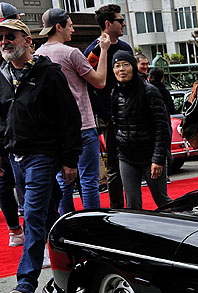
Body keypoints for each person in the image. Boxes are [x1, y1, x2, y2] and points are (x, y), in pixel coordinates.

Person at [0, 18, 82, 293]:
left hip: (42, 156)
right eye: (1, 38)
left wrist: (70, 159)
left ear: (28, 41)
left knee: (32, 215)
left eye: (10, 36)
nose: (4, 42)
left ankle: (26, 281)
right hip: (15, 158)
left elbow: (70, 119)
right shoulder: (2, 75)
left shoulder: (48, 74)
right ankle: (78, 264)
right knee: (50, 217)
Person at [35, 8, 111, 214]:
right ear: (58, 27)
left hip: (55, 129)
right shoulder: (71, 53)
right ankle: (92, 227)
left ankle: (65, 224)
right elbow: (100, 81)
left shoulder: (37, 55)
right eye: (70, 25)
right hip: (83, 124)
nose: (73, 30)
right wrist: (103, 50)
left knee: (63, 181)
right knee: (88, 181)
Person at [83, 4, 133, 208]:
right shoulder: (93, 51)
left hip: (130, 113)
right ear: (107, 24)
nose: (123, 24)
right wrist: (105, 114)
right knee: (114, 166)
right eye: (119, 20)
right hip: (109, 116)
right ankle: (118, 208)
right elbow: (89, 85)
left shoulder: (125, 48)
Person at [110, 51, 171, 210]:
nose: (121, 69)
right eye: (117, 66)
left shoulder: (149, 91)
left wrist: (158, 159)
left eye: (125, 65)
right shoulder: (115, 92)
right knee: (132, 204)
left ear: (133, 68)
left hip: (150, 154)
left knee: (162, 200)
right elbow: (116, 125)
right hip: (127, 156)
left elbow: (161, 127)